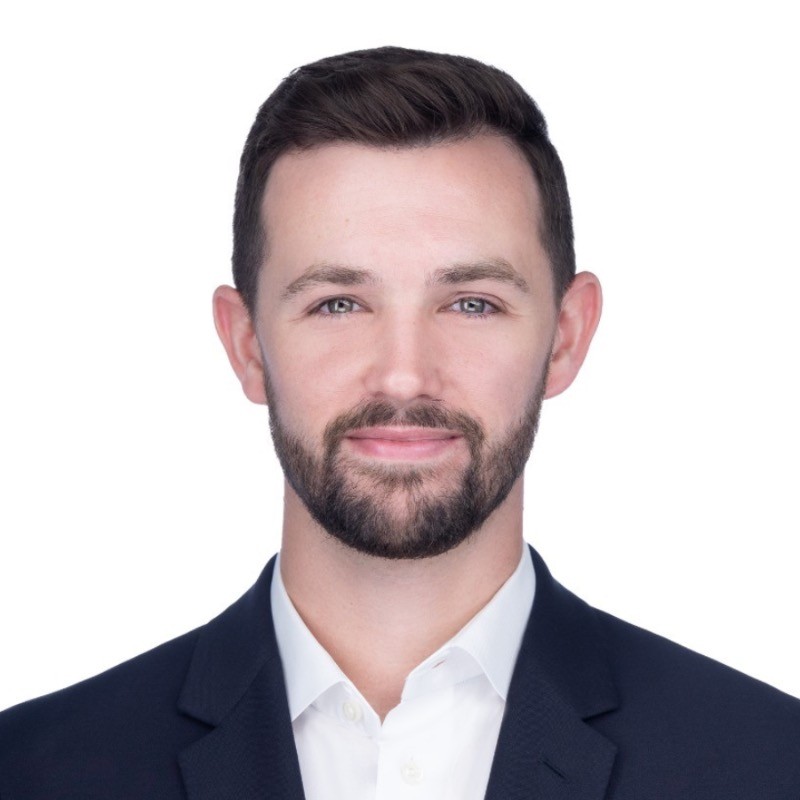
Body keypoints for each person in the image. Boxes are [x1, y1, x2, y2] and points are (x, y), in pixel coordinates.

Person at [1, 45, 798, 800]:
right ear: (246, 345)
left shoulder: (771, 764)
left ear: (565, 337)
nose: (405, 375)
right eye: (338, 304)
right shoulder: (32, 770)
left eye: (472, 303)